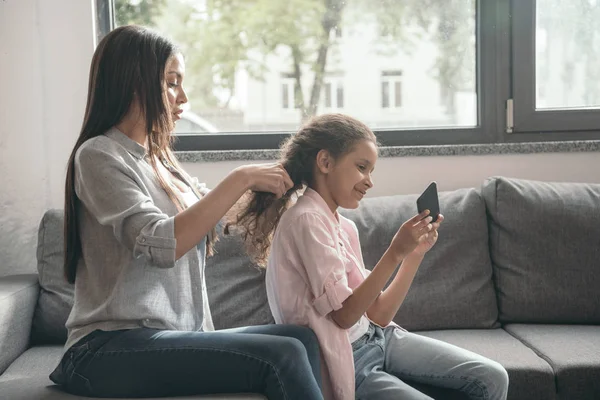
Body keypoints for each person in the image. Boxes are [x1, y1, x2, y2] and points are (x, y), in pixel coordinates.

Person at [49, 25, 324, 400]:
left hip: (170, 339)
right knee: (284, 355)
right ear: (135, 84)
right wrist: (241, 176)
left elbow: (225, 217)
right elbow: (164, 244)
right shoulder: (98, 156)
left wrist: (297, 175)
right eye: (171, 83)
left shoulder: (161, 164)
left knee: (300, 337)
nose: (184, 97)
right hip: (106, 349)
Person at [227, 114, 510, 400]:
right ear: (325, 162)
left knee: (492, 377)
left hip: (379, 337)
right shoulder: (305, 220)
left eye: (371, 170)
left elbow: (379, 314)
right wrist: (394, 252)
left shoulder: (343, 226)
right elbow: (345, 316)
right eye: (362, 167)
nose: (369, 182)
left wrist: (412, 255)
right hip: (350, 357)